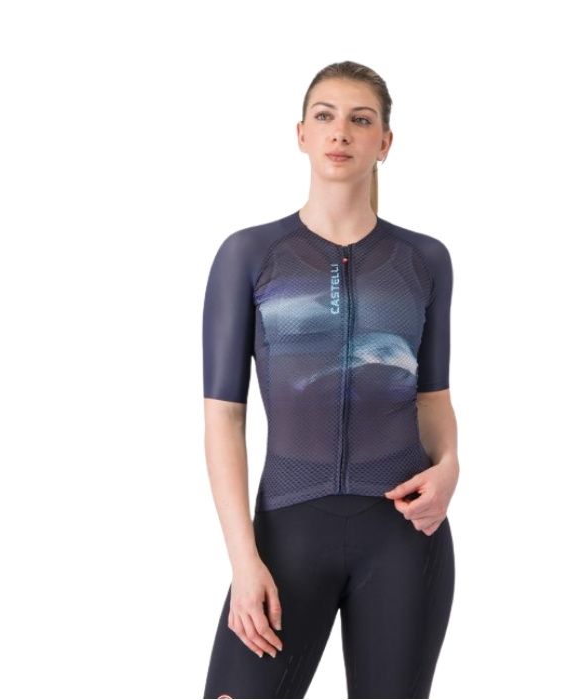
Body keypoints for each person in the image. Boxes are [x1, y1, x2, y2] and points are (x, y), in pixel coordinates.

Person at [201, 60, 460, 699]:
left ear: (385, 143)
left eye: (360, 120)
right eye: (325, 116)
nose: (340, 131)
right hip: (286, 535)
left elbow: (433, 396)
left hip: (405, 538)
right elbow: (224, 416)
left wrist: (451, 465)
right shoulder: (250, 255)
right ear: (302, 134)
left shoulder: (424, 260)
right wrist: (243, 561)